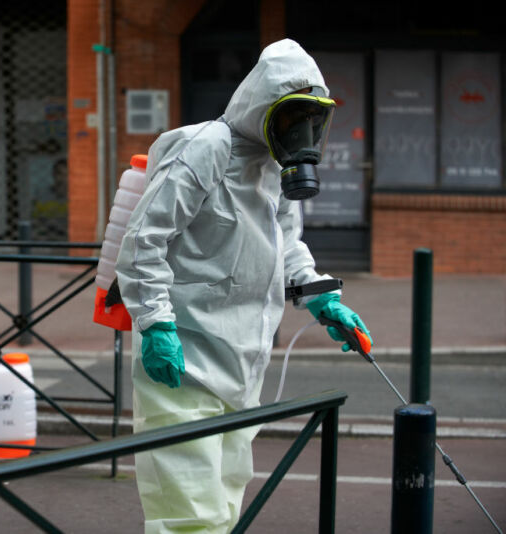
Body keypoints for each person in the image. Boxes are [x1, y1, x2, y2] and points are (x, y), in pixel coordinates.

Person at [114, 39, 372, 533]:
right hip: (184, 358)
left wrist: (323, 298)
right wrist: (155, 323)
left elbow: (286, 242)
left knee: (227, 496)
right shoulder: (208, 146)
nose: (304, 134)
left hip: (243, 360)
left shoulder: (276, 166)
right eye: (293, 118)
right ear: (263, 107)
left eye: (313, 121)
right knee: (188, 512)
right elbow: (144, 238)